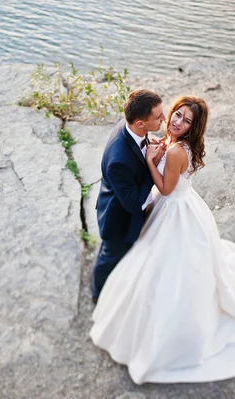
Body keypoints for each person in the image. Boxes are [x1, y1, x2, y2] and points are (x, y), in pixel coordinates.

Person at [90, 95, 235, 384]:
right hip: (177, 208)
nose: (174, 121)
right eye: (176, 114)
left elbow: (166, 189)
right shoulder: (171, 142)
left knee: (170, 268)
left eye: (186, 120)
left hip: (174, 210)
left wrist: (150, 162)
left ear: (194, 127)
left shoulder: (175, 152)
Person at [91, 89, 166, 304]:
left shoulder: (132, 128)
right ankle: (98, 293)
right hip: (119, 219)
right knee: (109, 257)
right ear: (140, 123)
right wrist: (151, 165)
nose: (164, 118)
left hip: (125, 203)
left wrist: (151, 148)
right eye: (158, 117)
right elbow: (133, 204)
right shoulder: (118, 160)